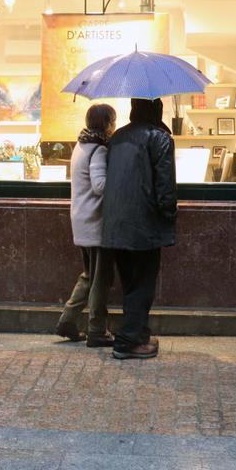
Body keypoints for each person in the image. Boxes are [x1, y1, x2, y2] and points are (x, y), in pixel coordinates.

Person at [101, 98, 177, 360]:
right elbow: (165, 185)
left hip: (115, 222)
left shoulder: (118, 136)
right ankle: (128, 342)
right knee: (143, 284)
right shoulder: (160, 137)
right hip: (144, 222)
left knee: (130, 282)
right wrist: (168, 214)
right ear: (157, 109)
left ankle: (138, 334)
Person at [56, 104, 117, 347]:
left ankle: (67, 321)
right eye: (113, 121)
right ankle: (97, 330)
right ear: (106, 123)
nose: (114, 126)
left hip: (81, 219)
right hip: (95, 222)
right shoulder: (98, 150)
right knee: (101, 278)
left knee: (90, 275)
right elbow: (100, 186)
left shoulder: (81, 145)